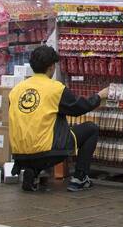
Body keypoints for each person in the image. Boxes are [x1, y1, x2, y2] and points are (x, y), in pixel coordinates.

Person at [9, 45, 102, 192]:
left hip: (19, 155)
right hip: (47, 152)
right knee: (91, 129)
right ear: (52, 67)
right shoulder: (55, 89)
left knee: (45, 128)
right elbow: (80, 108)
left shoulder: (16, 90)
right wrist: (100, 96)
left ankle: (33, 172)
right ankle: (80, 178)